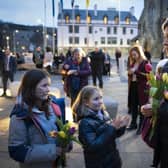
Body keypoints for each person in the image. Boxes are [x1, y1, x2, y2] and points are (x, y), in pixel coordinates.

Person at [8, 69, 66, 168]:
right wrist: (53, 151)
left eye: (48, 85)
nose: (48, 90)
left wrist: (66, 142)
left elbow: (58, 132)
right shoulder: (20, 116)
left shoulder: (53, 106)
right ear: (31, 88)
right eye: (44, 86)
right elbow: (17, 151)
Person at [72, 85, 129, 168]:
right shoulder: (85, 123)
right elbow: (92, 146)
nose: (100, 101)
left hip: (112, 159)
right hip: (99, 163)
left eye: (101, 98)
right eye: (96, 99)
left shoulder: (103, 113)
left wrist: (120, 127)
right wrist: (111, 128)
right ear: (86, 102)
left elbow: (111, 135)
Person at [127, 44, 150, 135]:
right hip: (133, 85)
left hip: (142, 87)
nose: (133, 56)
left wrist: (135, 72)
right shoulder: (133, 63)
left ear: (139, 53)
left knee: (142, 106)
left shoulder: (145, 62)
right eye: (132, 55)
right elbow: (131, 74)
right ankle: (133, 123)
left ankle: (141, 125)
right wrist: (129, 73)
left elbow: (148, 76)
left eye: (135, 54)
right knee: (133, 105)